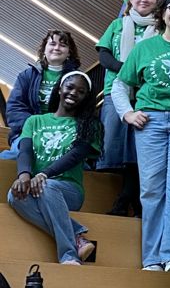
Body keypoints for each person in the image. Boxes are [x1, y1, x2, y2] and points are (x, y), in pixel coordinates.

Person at [111, 0, 170, 271]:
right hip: (151, 122)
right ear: (162, 13)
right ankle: (151, 258)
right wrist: (128, 113)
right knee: (151, 189)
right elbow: (120, 86)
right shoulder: (144, 48)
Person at [7, 71, 101, 265]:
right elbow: (25, 150)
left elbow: (75, 156)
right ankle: (77, 236)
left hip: (69, 190)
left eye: (81, 91)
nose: (74, 93)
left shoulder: (90, 126)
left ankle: (68, 256)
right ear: (60, 88)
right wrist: (24, 174)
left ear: (85, 98)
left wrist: (43, 174)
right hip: (36, 186)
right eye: (70, 87)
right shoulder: (34, 121)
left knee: (47, 186)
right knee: (13, 195)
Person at [96, 0, 159, 215]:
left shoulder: (161, 28)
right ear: (130, 0)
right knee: (113, 144)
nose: (144, 0)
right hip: (117, 90)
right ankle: (124, 196)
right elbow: (104, 55)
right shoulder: (117, 24)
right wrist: (127, 70)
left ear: (156, 1)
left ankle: (128, 198)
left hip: (147, 93)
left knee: (138, 147)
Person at [1, 30, 80, 160]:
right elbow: (15, 108)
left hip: (62, 134)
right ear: (44, 49)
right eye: (52, 44)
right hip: (28, 132)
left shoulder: (77, 79)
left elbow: (84, 111)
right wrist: (37, 127)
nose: (57, 48)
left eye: (63, 45)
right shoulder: (27, 76)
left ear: (69, 52)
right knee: (16, 155)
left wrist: (57, 129)